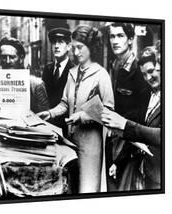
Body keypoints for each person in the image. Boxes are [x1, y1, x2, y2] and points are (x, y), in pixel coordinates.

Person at [38, 25, 114, 193]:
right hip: (71, 142)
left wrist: (83, 116)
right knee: (71, 188)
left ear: (91, 48)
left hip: (91, 144)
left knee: (87, 189)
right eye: (74, 47)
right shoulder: (72, 73)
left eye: (80, 47)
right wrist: (50, 113)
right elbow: (65, 103)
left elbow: (109, 110)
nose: (76, 51)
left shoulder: (101, 75)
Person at [101, 45, 161, 190]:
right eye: (144, 74)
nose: (148, 78)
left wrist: (124, 124)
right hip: (146, 171)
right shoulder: (148, 95)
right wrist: (118, 162)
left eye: (152, 71)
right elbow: (136, 133)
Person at [105, 22, 151, 191]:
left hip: (128, 149)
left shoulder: (139, 72)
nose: (115, 41)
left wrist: (120, 159)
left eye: (120, 36)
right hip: (111, 143)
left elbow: (140, 118)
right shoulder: (114, 66)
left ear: (130, 39)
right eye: (112, 36)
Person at [0, 36, 50, 114]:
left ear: (21, 59)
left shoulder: (35, 85)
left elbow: (46, 118)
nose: (7, 61)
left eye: (12, 57)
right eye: (3, 57)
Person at [42, 28, 74, 136]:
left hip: (66, 128)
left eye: (60, 42)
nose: (56, 46)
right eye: (53, 42)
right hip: (47, 126)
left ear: (69, 46)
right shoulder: (48, 69)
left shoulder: (74, 71)